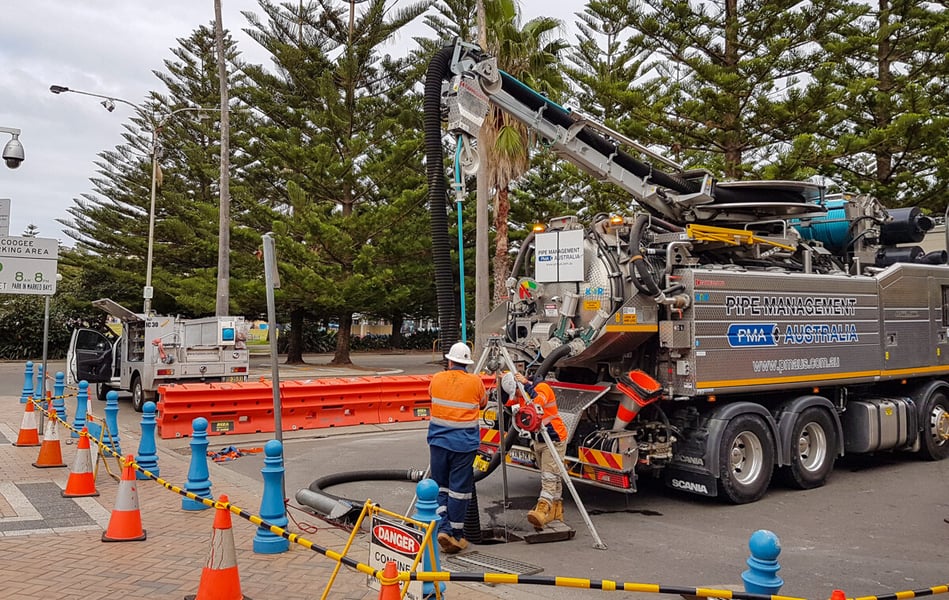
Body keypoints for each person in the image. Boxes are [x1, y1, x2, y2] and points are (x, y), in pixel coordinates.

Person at [428, 342, 487, 554]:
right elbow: (482, 403)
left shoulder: (436, 378)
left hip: (438, 443)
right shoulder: (475, 382)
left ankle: (443, 528)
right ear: (467, 363)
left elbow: (432, 397)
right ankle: (455, 534)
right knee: (459, 492)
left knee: (440, 487)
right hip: (463, 446)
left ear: (450, 360)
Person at [501, 371, 568, 530]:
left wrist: (525, 385)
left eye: (517, 392)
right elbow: (509, 404)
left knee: (549, 476)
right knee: (553, 475)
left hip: (553, 438)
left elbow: (537, 404)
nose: (517, 396)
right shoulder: (521, 393)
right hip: (538, 440)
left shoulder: (542, 388)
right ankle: (556, 511)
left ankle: (543, 509)